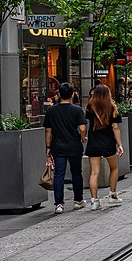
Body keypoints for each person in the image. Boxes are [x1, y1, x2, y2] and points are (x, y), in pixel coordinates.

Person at [44, 83, 88, 214]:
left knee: (59, 174)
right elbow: (82, 128)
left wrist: (48, 147)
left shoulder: (51, 111)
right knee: (76, 173)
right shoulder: (77, 110)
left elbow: (47, 130)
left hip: (57, 146)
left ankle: (59, 204)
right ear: (73, 94)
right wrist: (83, 138)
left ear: (59, 94)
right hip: (74, 146)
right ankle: (78, 200)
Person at [85, 84, 124, 210]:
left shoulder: (90, 107)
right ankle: (112, 195)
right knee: (114, 168)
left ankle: (94, 201)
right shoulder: (112, 107)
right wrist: (120, 144)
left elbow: (85, 124)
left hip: (94, 142)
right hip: (108, 142)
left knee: (94, 172)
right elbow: (116, 128)